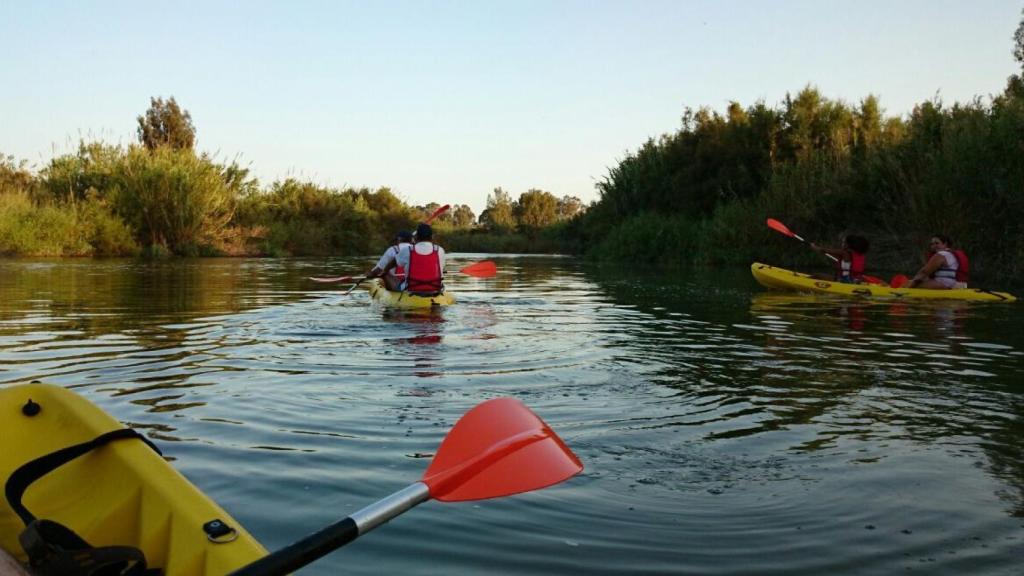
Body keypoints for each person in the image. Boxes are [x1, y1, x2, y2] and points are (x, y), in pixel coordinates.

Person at [393, 223, 446, 294]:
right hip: (435, 289)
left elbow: (394, 263)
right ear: (432, 237)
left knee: (389, 277)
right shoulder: (440, 250)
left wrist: (384, 271)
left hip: (411, 289)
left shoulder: (407, 250)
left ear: (416, 237)